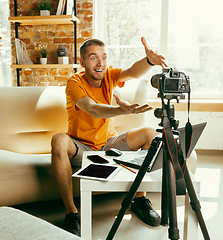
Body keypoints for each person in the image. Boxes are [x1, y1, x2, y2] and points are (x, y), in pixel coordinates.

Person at [51, 37, 168, 236]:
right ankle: (71, 212)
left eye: (103, 57)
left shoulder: (109, 75)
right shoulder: (74, 83)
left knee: (151, 134)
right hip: (82, 147)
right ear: (82, 62)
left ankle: (138, 199)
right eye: (93, 57)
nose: (100, 63)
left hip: (109, 145)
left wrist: (148, 61)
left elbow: (132, 72)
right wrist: (121, 111)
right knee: (58, 140)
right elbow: (92, 108)